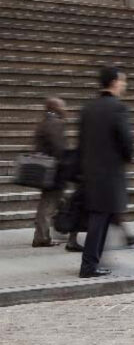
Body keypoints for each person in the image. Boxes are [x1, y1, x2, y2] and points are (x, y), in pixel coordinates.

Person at [77, 67, 134, 278]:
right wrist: (126, 157)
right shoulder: (118, 108)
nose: (124, 85)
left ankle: (93, 262)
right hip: (110, 174)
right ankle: (89, 265)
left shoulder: (88, 108)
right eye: (122, 81)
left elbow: (81, 144)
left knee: (101, 220)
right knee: (99, 221)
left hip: (91, 173)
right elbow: (126, 143)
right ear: (114, 83)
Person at [32, 98, 67, 248]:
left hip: (46, 169)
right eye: (63, 106)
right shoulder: (54, 123)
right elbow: (59, 148)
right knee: (48, 205)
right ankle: (41, 237)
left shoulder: (44, 122)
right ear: (56, 108)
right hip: (53, 170)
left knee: (58, 202)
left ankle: (65, 228)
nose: (66, 109)